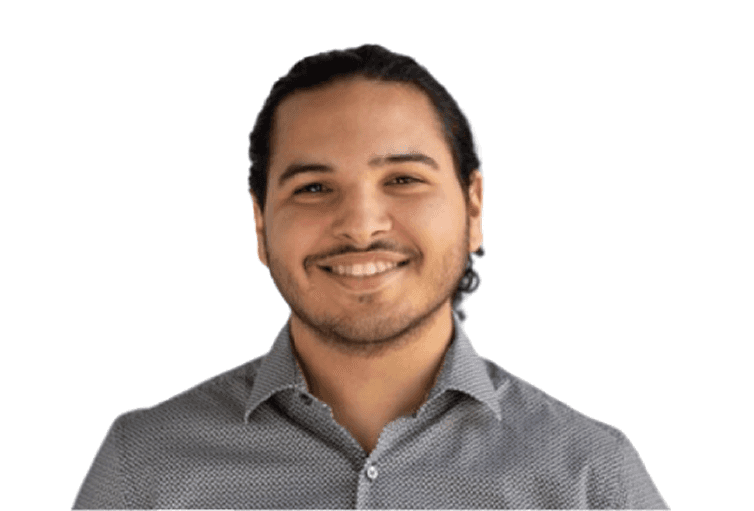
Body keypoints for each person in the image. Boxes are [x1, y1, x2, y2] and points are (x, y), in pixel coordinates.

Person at [73, 44, 668, 509]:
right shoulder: (146, 469)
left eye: (404, 179)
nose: (360, 226)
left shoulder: (590, 478)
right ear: (260, 224)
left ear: (474, 206)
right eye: (313, 188)